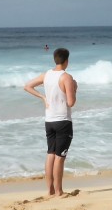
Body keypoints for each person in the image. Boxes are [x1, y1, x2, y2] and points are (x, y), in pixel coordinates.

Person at [24, 47, 77, 196]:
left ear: (55, 59)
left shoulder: (46, 75)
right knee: (60, 158)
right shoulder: (66, 77)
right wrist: (75, 88)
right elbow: (71, 102)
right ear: (66, 61)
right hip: (63, 121)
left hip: (49, 121)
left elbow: (27, 86)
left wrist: (43, 97)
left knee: (50, 154)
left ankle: (50, 190)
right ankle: (59, 191)